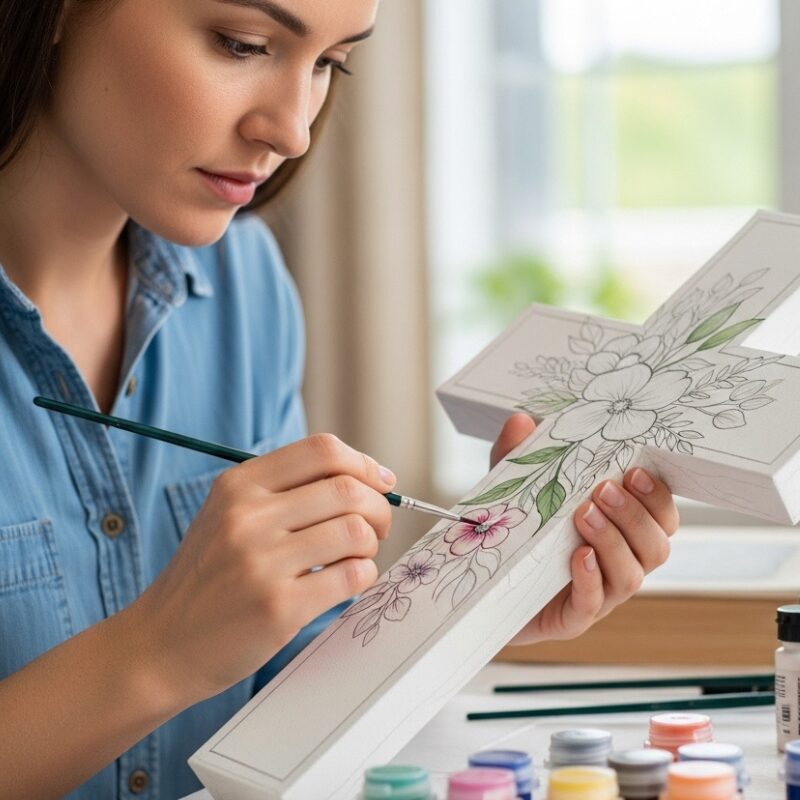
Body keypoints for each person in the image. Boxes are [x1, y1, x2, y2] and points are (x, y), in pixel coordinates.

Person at [0, 0, 679, 797]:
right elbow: (187, 657)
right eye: (241, 44)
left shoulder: (243, 284)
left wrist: (467, 607)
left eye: (329, 64)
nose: (292, 131)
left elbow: (273, 684)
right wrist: (159, 652)